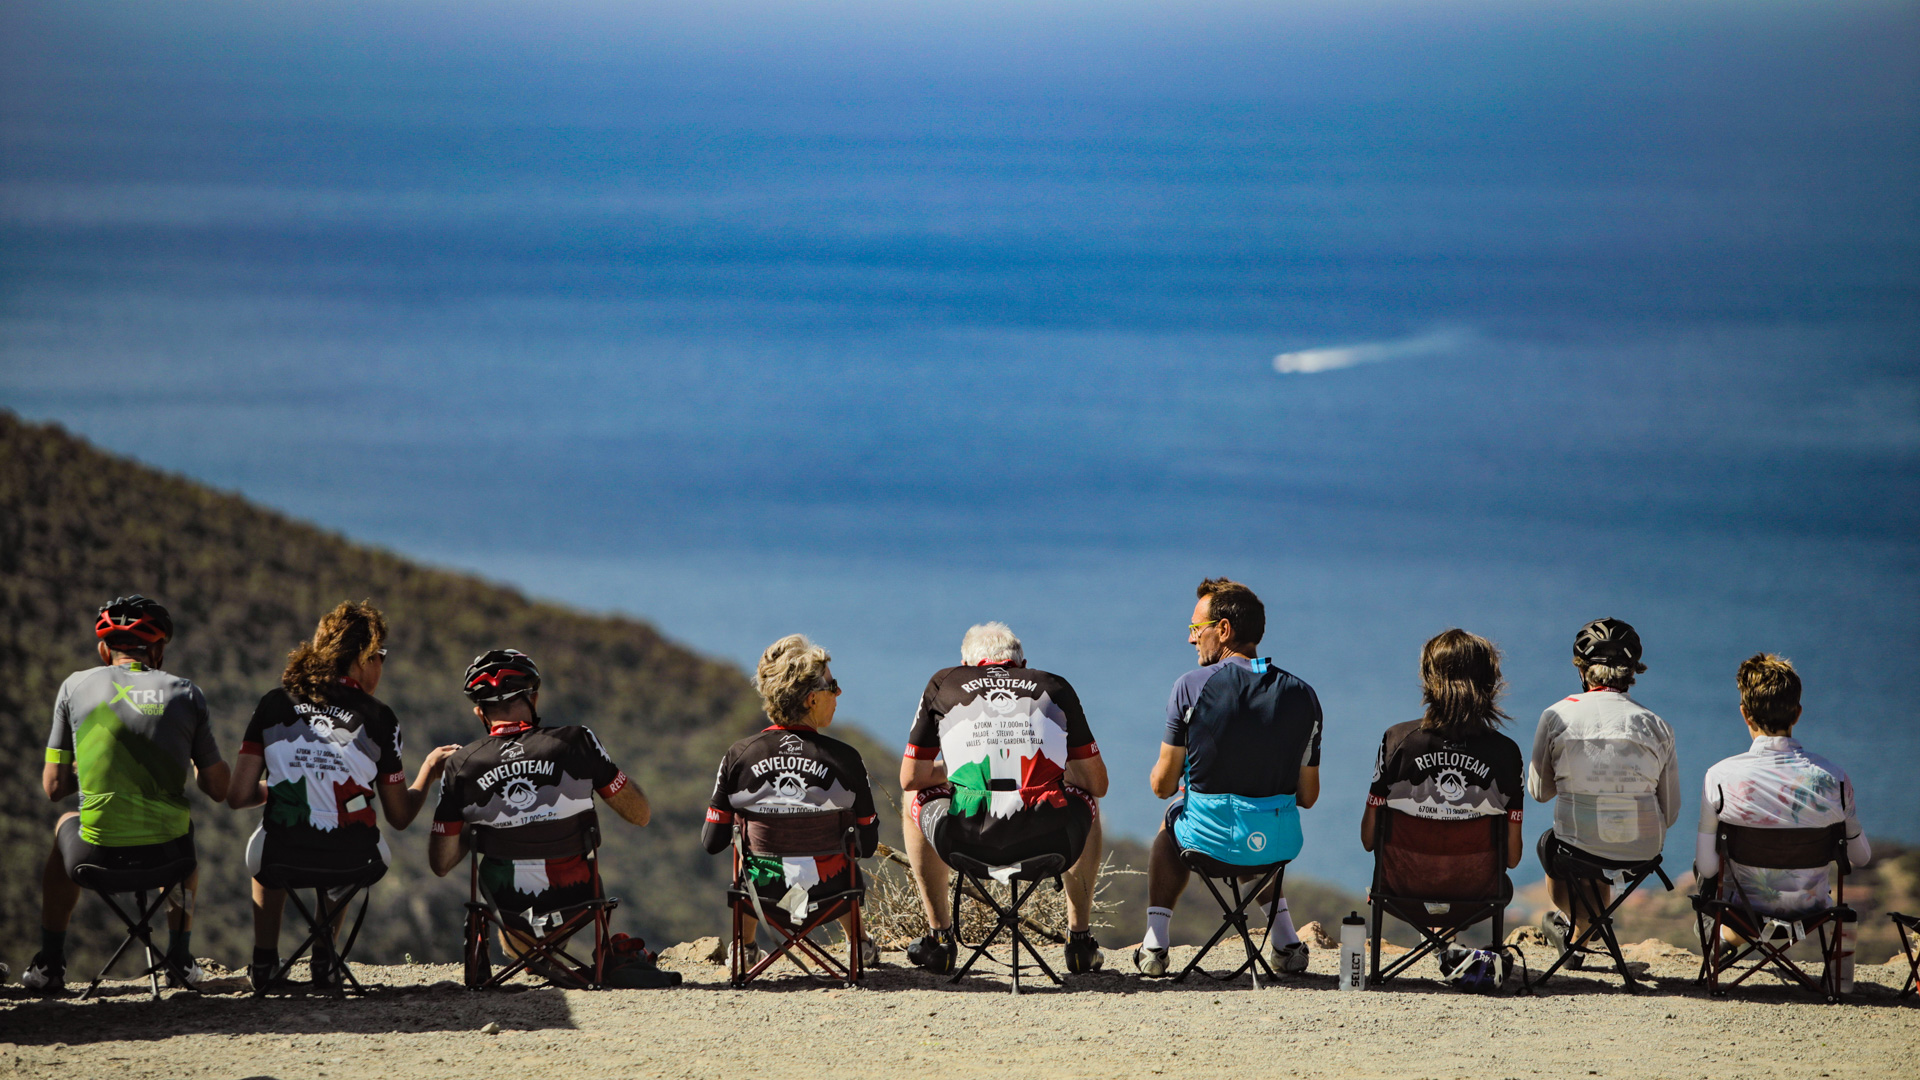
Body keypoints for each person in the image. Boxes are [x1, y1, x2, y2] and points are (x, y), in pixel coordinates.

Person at [228, 601, 460, 990]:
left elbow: (238, 796)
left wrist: (289, 791)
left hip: (282, 856)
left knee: (269, 840)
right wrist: (428, 773)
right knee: (346, 828)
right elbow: (399, 817)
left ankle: (264, 964)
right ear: (363, 658)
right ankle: (326, 961)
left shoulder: (274, 703)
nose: (381, 667)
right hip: (357, 860)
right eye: (380, 656)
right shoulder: (379, 717)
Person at [26, 595, 231, 992]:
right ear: (156, 648)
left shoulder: (75, 686)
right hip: (167, 860)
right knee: (181, 830)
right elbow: (218, 788)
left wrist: (85, 772)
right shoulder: (186, 692)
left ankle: (50, 963)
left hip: (96, 856)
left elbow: (53, 788)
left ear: (104, 649)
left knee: (66, 821)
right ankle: (179, 960)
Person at [430, 649, 665, 985]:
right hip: (577, 898)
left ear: (479, 712)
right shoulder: (577, 742)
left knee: (503, 872)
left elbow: (441, 863)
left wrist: (477, 826)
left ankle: (536, 956)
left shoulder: (460, 765)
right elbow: (640, 815)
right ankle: (558, 953)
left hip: (507, 910)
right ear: (534, 697)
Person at [899, 622, 1109, 975]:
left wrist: (955, 771)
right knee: (1087, 798)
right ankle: (1080, 941)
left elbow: (911, 777)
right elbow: (1097, 783)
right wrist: (1057, 772)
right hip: (1048, 843)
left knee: (912, 799)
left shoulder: (944, 682)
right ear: (1022, 663)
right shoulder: (1055, 686)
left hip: (965, 843)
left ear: (966, 664)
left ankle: (940, 940)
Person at [1137, 578, 1321, 977]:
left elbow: (1162, 786)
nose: (1191, 640)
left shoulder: (1190, 687)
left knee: (1171, 819)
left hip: (1209, 842)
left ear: (1223, 629)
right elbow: (1308, 796)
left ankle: (1155, 945)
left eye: (1194, 629)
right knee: (1258, 817)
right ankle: (1286, 942)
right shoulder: (1303, 695)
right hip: (1276, 843)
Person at [704, 635, 880, 971]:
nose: (839, 693)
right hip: (829, 892)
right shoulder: (846, 759)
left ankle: (744, 948)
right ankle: (858, 944)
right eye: (833, 685)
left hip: (763, 893)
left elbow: (712, 841)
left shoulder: (738, 756)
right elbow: (867, 844)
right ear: (812, 700)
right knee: (839, 861)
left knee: (752, 867)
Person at [1525, 617, 1680, 966]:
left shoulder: (1556, 715)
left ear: (1583, 670)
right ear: (1632, 672)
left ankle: (1583, 926)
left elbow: (1539, 791)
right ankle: (1583, 931)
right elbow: (1669, 813)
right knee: (1600, 845)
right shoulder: (1658, 726)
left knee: (1554, 845)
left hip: (1577, 845)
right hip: (1641, 851)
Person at [1696, 653, 1870, 925]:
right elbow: (1861, 857)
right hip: (1814, 912)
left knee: (1705, 873)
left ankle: (1724, 937)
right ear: (1797, 713)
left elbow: (1707, 867)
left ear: (1745, 714)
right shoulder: (1835, 779)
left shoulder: (1719, 777)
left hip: (1744, 912)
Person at [1362, 629, 1525, 874]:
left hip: (1403, 894)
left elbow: (1368, 838)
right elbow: (1512, 858)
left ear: (1429, 679)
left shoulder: (1397, 742)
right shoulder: (1507, 754)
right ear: (1489, 682)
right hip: (1477, 897)